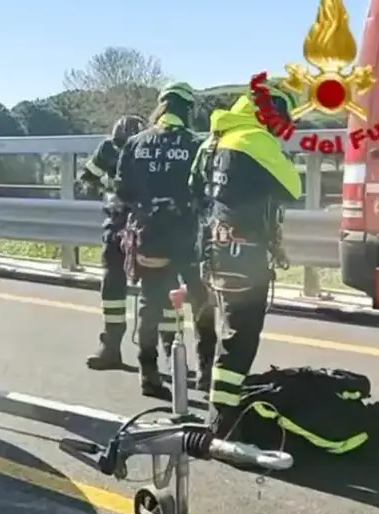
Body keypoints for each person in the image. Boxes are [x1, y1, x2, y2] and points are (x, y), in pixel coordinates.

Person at [188, 81, 302, 437]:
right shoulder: (256, 142)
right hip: (244, 254)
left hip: (207, 250)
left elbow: (194, 188)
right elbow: (293, 190)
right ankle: (221, 419)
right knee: (240, 335)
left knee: (212, 321)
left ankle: (207, 384)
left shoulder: (211, 142)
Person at [114, 82, 203, 397]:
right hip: (189, 238)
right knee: (201, 299)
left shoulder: (136, 143)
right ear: (188, 110)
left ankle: (148, 371)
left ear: (162, 106)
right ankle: (206, 372)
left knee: (151, 304)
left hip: (149, 236)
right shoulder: (196, 144)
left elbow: (122, 190)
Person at [83, 114, 146, 370]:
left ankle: (166, 352)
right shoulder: (108, 148)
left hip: (148, 222)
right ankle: (111, 345)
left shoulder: (151, 147)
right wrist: (112, 184)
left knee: (160, 287)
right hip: (118, 222)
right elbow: (87, 176)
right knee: (112, 284)